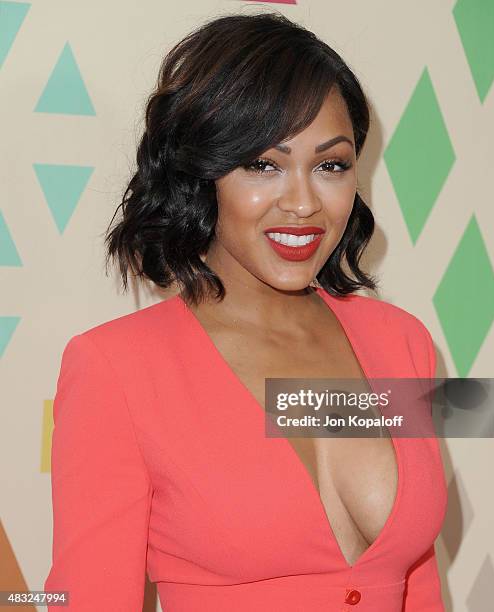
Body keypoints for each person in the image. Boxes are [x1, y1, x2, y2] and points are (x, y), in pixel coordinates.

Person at [44, 11, 448, 612]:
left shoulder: (401, 343)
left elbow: (418, 582)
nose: (304, 201)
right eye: (263, 164)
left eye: (331, 165)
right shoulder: (116, 370)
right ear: (201, 174)